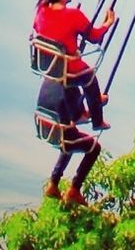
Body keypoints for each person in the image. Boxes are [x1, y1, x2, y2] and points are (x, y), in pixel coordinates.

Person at [32, 0, 115, 132]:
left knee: (67, 80)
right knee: (89, 77)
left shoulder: (41, 11)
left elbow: (38, 29)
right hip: (68, 65)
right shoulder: (73, 15)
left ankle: (79, 115)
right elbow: (95, 37)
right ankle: (97, 120)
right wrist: (108, 23)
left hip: (50, 65)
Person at [36, 76, 102, 208]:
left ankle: (53, 183)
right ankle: (74, 189)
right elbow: (80, 118)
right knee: (94, 147)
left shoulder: (48, 80)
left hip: (46, 130)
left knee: (71, 135)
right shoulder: (71, 85)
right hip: (63, 135)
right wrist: (99, 103)